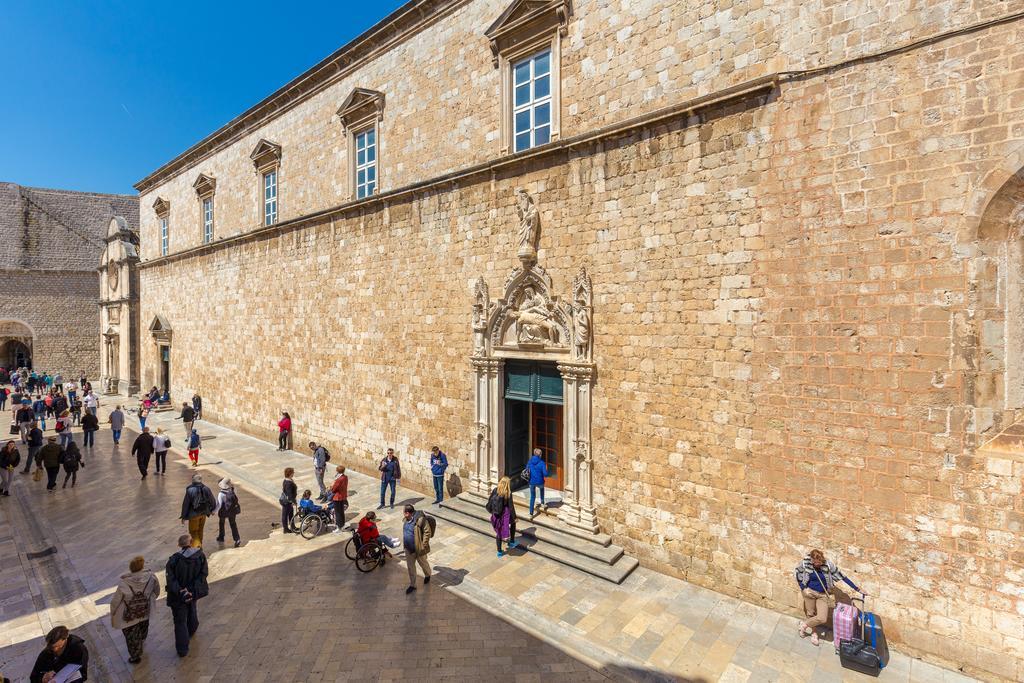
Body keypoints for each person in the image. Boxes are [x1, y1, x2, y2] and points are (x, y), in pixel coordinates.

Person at [795, 549, 864, 646]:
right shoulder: (805, 563)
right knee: (811, 614)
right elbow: (798, 574)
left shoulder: (828, 565)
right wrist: (803, 588)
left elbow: (842, 576)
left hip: (823, 594)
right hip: (809, 592)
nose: (817, 565)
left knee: (822, 618)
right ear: (811, 560)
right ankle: (814, 633)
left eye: (819, 563)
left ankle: (804, 625)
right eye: (815, 563)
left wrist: (857, 589)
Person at [109, 555, 161, 664]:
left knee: (131, 636)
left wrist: (113, 612)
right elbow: (156, 591)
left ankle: (135, 656)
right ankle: (141, 639)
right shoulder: (151, 577)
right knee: (143, 626)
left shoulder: (124, 583)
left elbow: (115, 601)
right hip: (144, 609)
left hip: (129, 614)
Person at [165, 533, 209, 657]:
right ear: (190, 543)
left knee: (179, 621)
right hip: (193, 592)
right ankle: (192, 628)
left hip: (178, 596)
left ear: (180, 545)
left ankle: (182, 649)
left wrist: (182, 591)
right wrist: (191, 589)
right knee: (192, 608)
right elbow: (203, 574)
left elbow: (171, 580)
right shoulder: (200, 556)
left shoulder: (173, 560)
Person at [402, 504, 433, 594]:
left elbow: (428, 532)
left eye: (404, 512)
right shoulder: (406, 519)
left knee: (423, 564)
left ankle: (428, 575)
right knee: (410, 568)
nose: (403, 514)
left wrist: (423, 545)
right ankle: (413, 585)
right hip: (408, 549)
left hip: (419, 549)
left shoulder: (421, 519)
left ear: (407, 513)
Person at [180, 474, 216, 548]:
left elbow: (186, 504)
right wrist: (213, 510)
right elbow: (212, 500)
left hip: (194, 515)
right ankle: (200, 546)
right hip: (204, 513)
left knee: (193, 532)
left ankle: (198, 547)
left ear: (193, 481)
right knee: (200, 530)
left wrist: (183, 516)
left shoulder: (189, 490)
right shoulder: (206, 488)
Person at [488, 476, 518, 557]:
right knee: (513, 523)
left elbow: (490, 500)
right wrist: (515, 517)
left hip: (496, 513)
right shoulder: (508, 493)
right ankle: (512, 542)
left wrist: (492, 511)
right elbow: (511, 506)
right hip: (505, 513)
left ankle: (499, 551)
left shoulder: (495, 490)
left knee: (499, 532)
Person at [214, 477, 242, 547]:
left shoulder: (221, 494)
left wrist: (214, 511)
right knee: (233, 524)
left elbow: (219, 504)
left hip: (224, 511)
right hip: (232, 511)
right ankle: (237, 539)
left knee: (221, 523)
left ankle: (221, 537)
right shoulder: (233, 490)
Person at [526, 448, 549, 516]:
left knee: (532, 497)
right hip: (540, 481)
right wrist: (548, 473)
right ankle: (542, 503)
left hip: (531, 482)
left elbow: (527, 469)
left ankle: (531, 513)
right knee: (542, 489)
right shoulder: (542, 463)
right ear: (540, 455)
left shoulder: (530, 461)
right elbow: (545, 474)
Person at [330, 465, 348, 533]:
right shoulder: (345, 477)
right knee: (341, 512)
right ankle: (342, 525)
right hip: (343, 496)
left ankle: (339, 527)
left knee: (337, 513)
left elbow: (334, 489)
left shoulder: (339, 480)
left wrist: (331, 487)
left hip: (337, 497)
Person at [280, 467, 297, 534]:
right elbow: (289, 494)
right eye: (293, 472)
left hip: (288, 502)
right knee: (285, 515)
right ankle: (286, 529)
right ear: (290, 473)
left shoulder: (288, 480)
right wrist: (293, 502)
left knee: (290, 514)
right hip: (287, 502)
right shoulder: (288, 483)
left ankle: (292, 526)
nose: (293, 473)